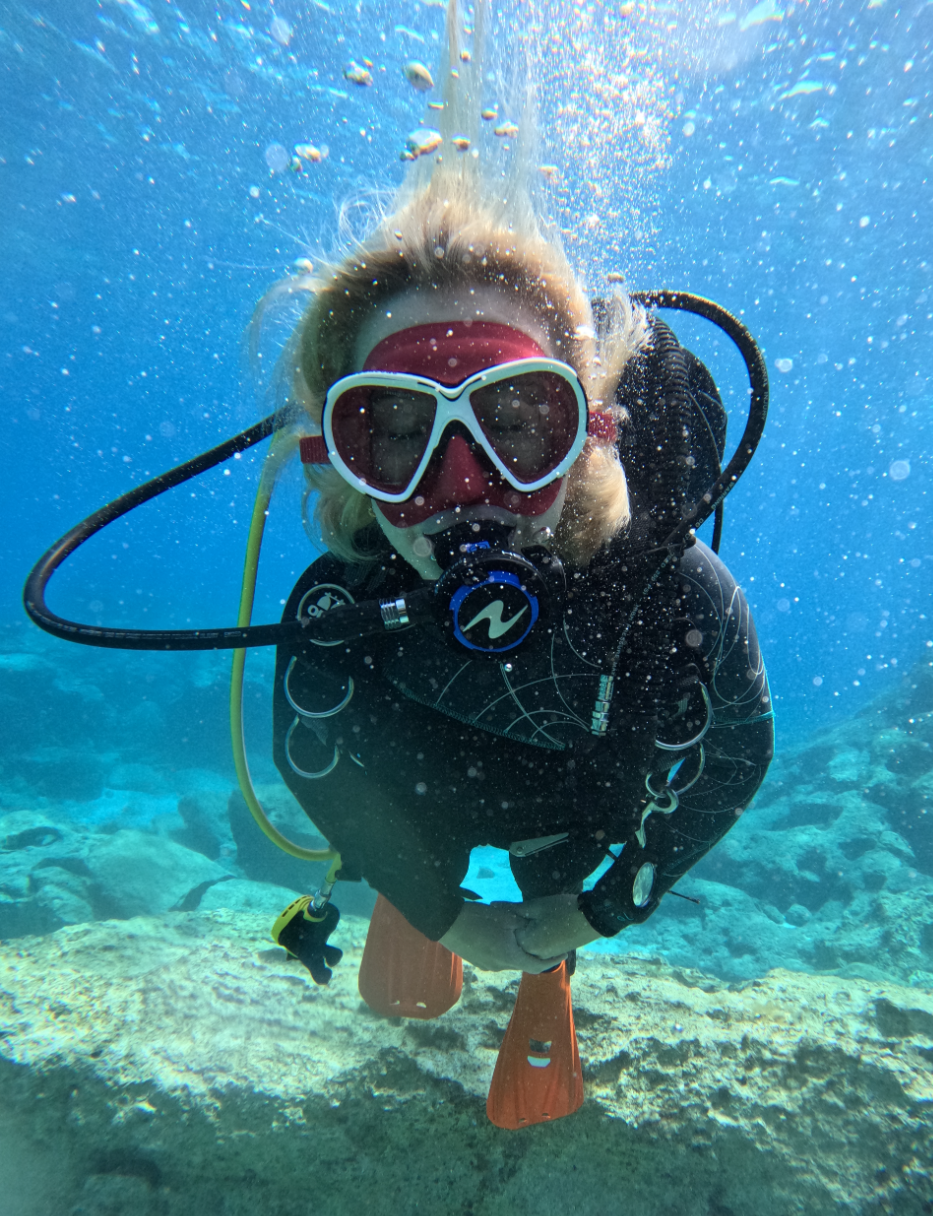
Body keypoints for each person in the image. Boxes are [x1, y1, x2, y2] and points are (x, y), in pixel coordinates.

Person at [261, 4, 773, 1125]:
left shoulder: (672, 596)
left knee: (555, 884)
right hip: (425, 818)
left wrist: (596, 910)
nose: (462, 485)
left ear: (590, 427)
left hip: (576, 837)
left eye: (515, 421)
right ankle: (430, 904)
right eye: (395, 429)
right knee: (404, 821)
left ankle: (547, 969)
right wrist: (433, 906)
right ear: (336, 459)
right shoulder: (341, 610)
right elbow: (319, 763)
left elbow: (732, 755)